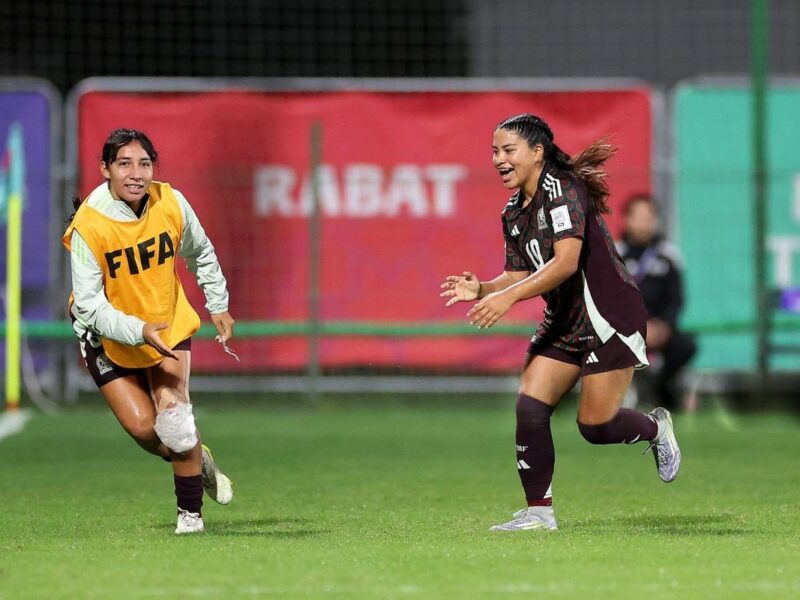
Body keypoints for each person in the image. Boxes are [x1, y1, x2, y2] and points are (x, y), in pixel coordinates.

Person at [440, 113, 681, 532]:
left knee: (595, 425)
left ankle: (655, 428)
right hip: (565, 322)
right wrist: (483, 289)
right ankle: (539, 512)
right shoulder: (513, 211)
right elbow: (518, 273)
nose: (498, 159)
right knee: (530, 406)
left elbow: (566, 263)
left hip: (608, 318)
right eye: (494, 151)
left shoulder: (563, 190)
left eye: (508, 150)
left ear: (537, 153)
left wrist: (507, 298)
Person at [63, 128, 235, 535]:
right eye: (124, 163)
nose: (136, 173)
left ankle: (190, 516)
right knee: (144, 429)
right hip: (106, 334)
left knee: (174, 417)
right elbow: (89, 304)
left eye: (144, 163)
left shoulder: (170, 201)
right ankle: (197, 457)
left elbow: (200, 250)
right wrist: (137, 330)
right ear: (105, 169)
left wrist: (218, 302)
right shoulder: (90, 224)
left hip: (167, 322)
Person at [617, 195, 697, 411]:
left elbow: (676, 298)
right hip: (625, 329)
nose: (645, 222)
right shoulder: (613, 254)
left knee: (686, 345)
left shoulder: (668, 255)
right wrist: (637, 327)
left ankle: (657, 388)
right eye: (640, 216)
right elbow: (608, 299)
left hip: (661, 328)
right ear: (627, 219)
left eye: (649, 217)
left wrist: (664, 326)